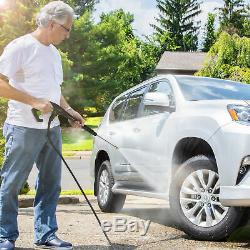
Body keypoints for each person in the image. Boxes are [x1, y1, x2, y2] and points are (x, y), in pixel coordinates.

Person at [0, 1, 84, 249]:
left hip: (51, 128)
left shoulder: (54, 53)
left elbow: (54, 91)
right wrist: (33, 101)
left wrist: (69, 111)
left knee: (50, 183)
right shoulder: (21, 47)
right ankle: (5, 236)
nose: (68, 35)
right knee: (12, 182)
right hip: (22, 127)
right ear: (51, 23)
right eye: (66, 29)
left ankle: (46, 234)